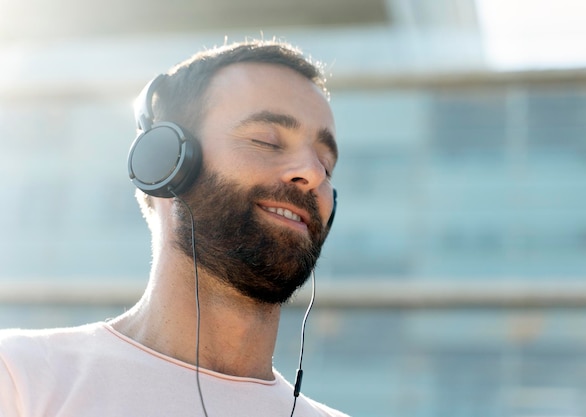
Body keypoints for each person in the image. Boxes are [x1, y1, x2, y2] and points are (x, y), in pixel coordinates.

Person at [0, 39, 348, 417]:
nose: (313, 174)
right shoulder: (19, 377)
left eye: (326, 164)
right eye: (266, 140)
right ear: (167, 162)